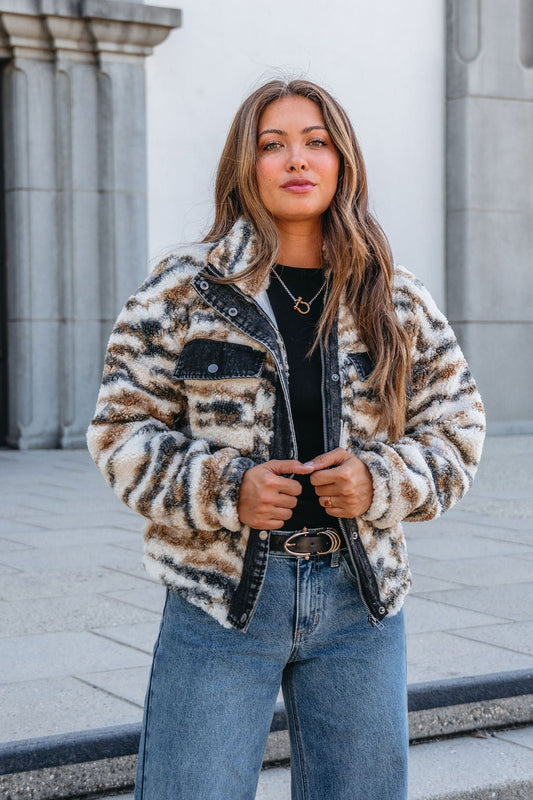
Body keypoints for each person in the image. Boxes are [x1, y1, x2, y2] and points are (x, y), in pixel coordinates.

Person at [87, 78, 485, 800]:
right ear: (246, 165)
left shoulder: (394, 297)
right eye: (273, 145)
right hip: (221, 598)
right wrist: (225, 485)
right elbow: (120, 432)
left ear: (342, 162)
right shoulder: (181, 290)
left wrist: (383, 479)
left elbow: (457, 430)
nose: (295, 159)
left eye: (315, 142)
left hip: (360, 602)